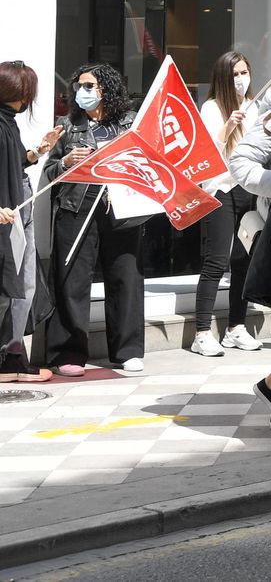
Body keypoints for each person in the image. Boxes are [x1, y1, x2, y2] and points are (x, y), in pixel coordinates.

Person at [43, 63, 147, 376]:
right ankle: (67, 352)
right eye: (79, 86)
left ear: (106, 89)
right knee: (72, 279)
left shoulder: (130, 123)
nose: (82, 92)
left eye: (89, 86)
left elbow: (148, 162)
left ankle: (127, 350)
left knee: (125, 277)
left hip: (121, 208)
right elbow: (48, 173)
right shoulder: (67, 124)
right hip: (77, 207)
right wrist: (65, 161)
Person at [190, 52, 263, 357]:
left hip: (248, 188)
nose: (241, 79)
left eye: (245, 72)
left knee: (243, 260)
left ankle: (236, 327)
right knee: (216, 260)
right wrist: (229, 125)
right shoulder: (212, 107)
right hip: (220, 189)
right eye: (235, 74)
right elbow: (206, 152)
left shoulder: (254, 106)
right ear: (224, 78)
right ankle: (202, 332)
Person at [1, 62, 60, 382]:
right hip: (7, 215)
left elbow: (13, 162)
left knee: (25, 285)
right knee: (9, 287)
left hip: (17, 209)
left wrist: (38, 151)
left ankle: (13, 355)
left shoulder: (8, 122)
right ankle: (8, 357)